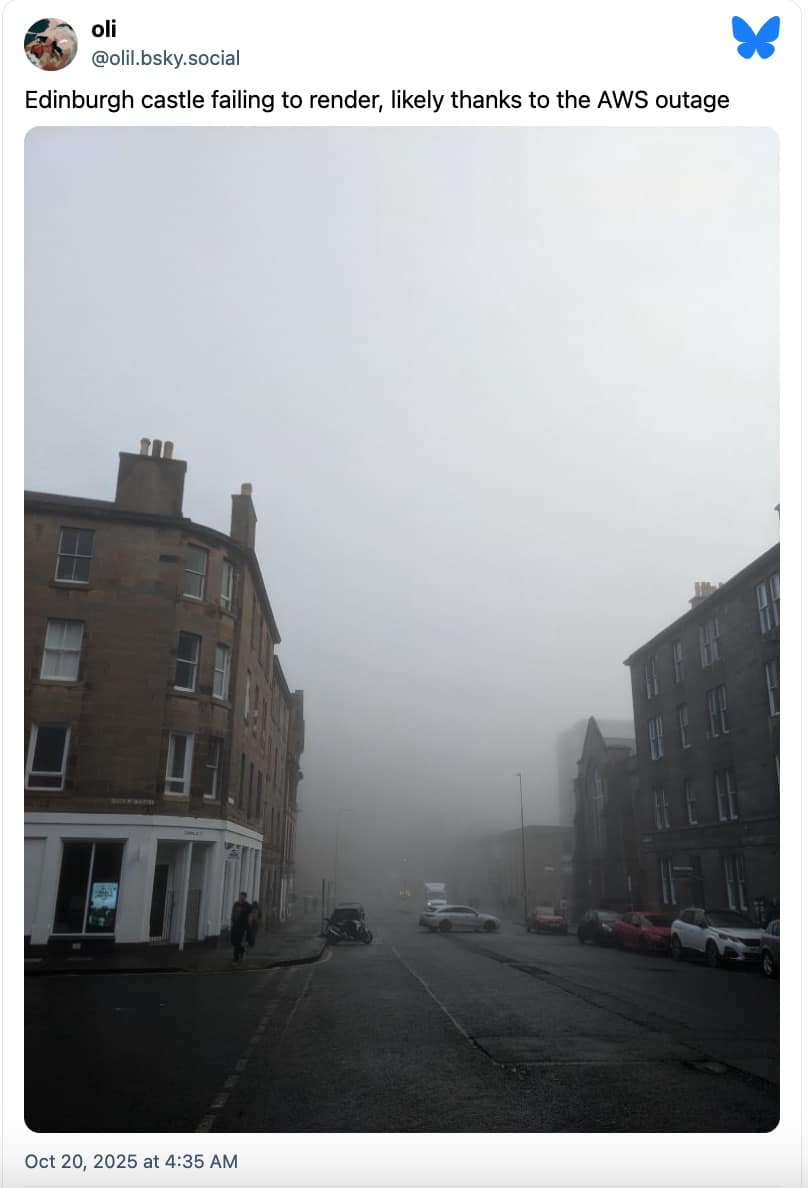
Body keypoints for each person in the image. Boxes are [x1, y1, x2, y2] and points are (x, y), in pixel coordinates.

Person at [230, 892, 251, 964]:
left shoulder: (247, 905)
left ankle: (236, 957)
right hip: (235, 925)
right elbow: (233, 913)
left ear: (245, 898)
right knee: (235, 941)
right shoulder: (236, 904)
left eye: (242, 897)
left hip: (242, 926)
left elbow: (249, 914)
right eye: (240, 896)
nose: (241, 898)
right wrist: (232, 921)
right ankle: (240, 952)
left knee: (239, 941)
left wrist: (248, 926)